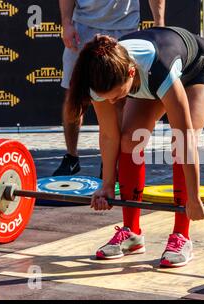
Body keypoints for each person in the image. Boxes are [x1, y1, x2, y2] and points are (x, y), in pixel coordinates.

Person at [65, 27, 204, 267]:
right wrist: (107, 186)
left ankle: (181, 235)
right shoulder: (99, 74)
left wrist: (193, 198)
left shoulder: (158, 69)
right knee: (129, 139)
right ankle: (131, 233)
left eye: (117, 97)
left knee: (176, 143)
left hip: (200, 68)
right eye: (107, 98)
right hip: (149, 74)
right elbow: (109, 136)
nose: (112, 103)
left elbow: (184, 140)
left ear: (130, 73)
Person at [53, 0, 166, 176]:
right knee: (73, 99)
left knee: (119, 101)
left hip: (124, 27)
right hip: (84, 27)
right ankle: (71, 158)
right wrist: (66, 24)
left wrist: (159, 23)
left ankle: (110, 164)